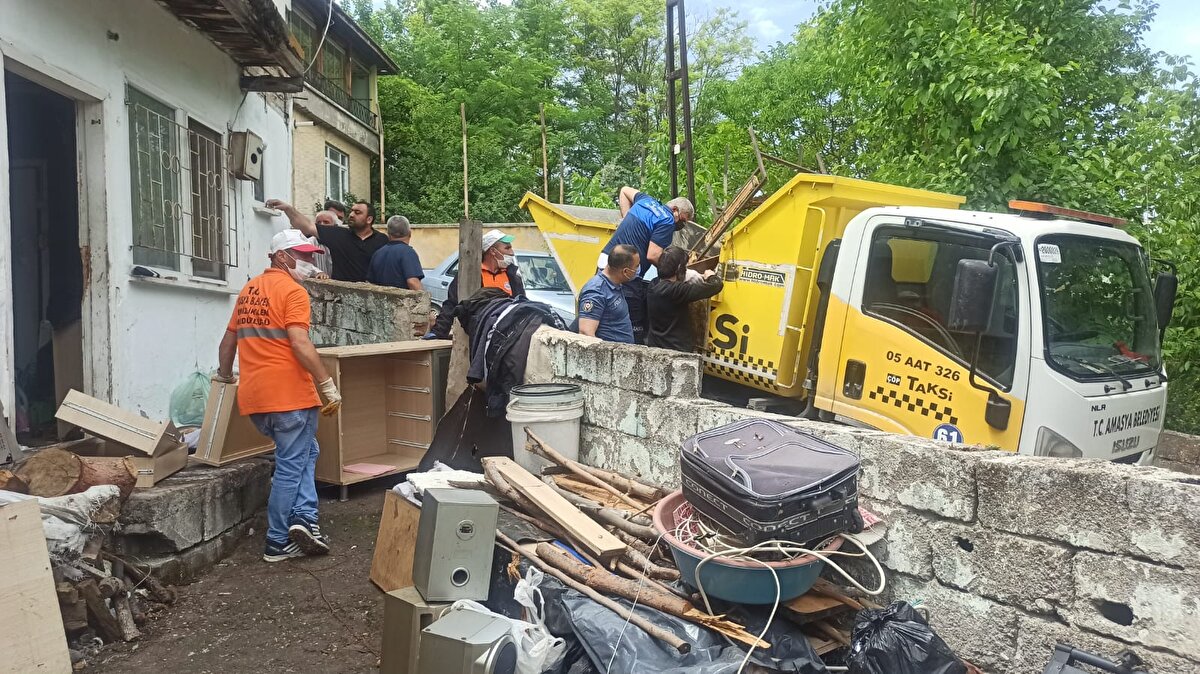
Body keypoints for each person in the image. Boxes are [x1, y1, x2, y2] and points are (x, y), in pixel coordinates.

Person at [214, 229, 343, 563]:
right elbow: (300, 343)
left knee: (305, 451)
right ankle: (277, 540)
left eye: (310, 255)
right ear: (281, 256)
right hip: (291, 397)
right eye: (302, 255)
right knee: (290, 465)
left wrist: (225, 377)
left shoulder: (248, 290)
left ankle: (305, 517)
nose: (309, 261)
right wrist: (325, 382)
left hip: (256, 399)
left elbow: (228, 343)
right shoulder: (293, 291)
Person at [597, 187, 695, 343]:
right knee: (632, 323)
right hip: (627, 275)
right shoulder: (667, 220)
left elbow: (624, 191)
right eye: (683, 220)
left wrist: (626, 216)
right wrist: (676, 274)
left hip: (605, 262)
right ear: (675, 210)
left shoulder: (646, 201)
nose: (681, 225)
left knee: (603, 311)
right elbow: (653, 255)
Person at [425, 229, 525, 339]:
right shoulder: (471, 275)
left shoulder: (512, 276)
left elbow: (522, 303)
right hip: (481, 334)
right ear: (493, 251)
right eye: (507, 248)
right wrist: (438, 332)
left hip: (509, 333)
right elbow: (452, 303)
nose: (512, 252)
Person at [265, 198, 386, 282]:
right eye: (352, 211)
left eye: (357, 212)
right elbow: (307, 225)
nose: (351, 215)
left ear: (369, 219)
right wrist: (288, 209)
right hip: (340, 296)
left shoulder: (382, 240)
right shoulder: (339, 234)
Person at [646, 246, 723, 352]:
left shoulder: (653, 284)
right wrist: (710, 276)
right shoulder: (676, 291)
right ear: (679, 268)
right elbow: (715, 286)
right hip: (676, 350)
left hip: (655, 346)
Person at [577, 244, 639, 343]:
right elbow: (586, 334)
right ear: (626, 272)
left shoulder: (615, 284)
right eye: (636, 267)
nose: (637, 270)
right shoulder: (596, 292)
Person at [367, 215, 424, 290]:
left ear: (388, 234)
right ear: (409, 233)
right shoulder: (408, 253)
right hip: (401, 300)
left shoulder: (378, 253)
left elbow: (369, 283)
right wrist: (424, 300)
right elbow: (413, 282)